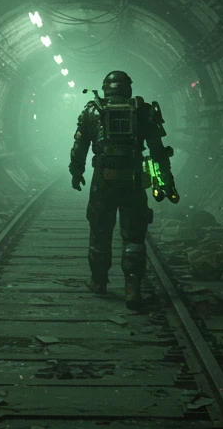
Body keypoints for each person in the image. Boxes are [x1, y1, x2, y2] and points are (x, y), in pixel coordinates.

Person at [68, 70, 175, 311]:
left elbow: (80, 146)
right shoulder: (143, 111)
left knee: (100, 229)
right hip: (133, 180)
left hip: (102, 180)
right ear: (128, 87)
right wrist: (166, 180)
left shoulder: (91, 110)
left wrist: (77, 172)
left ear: (105, 88)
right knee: (134, 235)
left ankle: (98, 281)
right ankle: (132, 289)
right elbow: (158, 151)